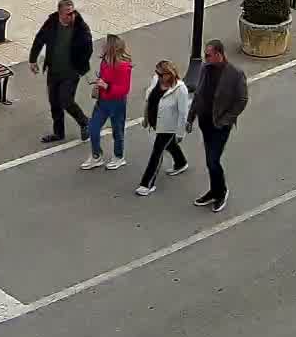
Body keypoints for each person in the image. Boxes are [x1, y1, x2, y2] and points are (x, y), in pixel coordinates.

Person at [186, 39, 248, 212]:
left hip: (220, 124)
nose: (205, 58)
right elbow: (198, 95)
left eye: (208, 55)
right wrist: (191, 117)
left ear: (219, 55)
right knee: (210, 159)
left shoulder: (235, 74)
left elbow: (242, 100)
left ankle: (221, 192)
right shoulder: (205, 69)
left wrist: (226, 119)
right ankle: (214, 191)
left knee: (213, 160)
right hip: (205, 121)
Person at [29, 0, 93, 144]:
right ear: (60, 13)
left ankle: (84, 122)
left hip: (71, 72)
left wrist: (79, 68)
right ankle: (58, 133)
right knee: (54, 102)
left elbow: (88, 49)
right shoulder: (52, 22)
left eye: (72, 12)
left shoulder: (81, 28)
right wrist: (33, 59)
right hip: (54, 70)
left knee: (66, 100)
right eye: (67, 14)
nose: (71, 16)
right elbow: (40, 39)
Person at [135, 59, 191, 196]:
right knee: (169, 145)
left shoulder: (180, 89)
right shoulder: (156, 81)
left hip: (168, 127)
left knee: (157, 152)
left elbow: (183, 113)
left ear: (170, 74)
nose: (159, 77)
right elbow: (150, 100)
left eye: (162, 75)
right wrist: (146, 118)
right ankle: (181, 162)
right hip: (157, 123)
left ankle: (147, 183)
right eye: (157, 74)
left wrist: (180, 133)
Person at [81, 35, 133, 171]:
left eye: (105, 44)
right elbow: (104, 77)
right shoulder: (104, 61)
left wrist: (106, 86)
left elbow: (124, 89)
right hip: (103, 101)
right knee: (93, 128)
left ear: (111, 48)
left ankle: (119, 156)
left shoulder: (124, 66)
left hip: (117, 103)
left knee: (117, 131)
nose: (102, 45)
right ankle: (96, 155)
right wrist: (98, 81)